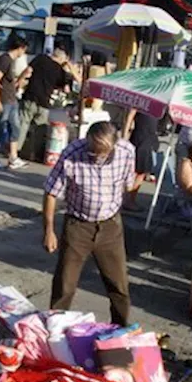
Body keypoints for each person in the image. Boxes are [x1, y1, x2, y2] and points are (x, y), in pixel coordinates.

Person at [43, 122, 135, 326]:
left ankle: (121, 330)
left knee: (118, 285)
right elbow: (51, 193)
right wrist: (49, 230)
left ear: (113, 146)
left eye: (102, 153)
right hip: (78, 226)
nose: (97, 157)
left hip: (110, 225)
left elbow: (129, 183)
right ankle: (55, 328)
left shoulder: (127, 151)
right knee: (65, 284)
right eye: (92, 152)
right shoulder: (72, 154)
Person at [20, 47, 77, 159]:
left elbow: (27, 70)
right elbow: (66, 87)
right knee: (39, 129)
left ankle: (16, 150)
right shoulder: (60, 70)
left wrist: (19, 81)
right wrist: (68, 66)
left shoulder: (41, 58)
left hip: (30, 96)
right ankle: (34, 153)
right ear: (62, 58)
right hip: (44, 102)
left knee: (23, 125)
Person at [0, 36, 29, 171]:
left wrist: (22, 77)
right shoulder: (5, 59)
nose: (23, 54)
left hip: (11, 99)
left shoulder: (10, 61)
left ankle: (13, 156)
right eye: (24, 50)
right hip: (4, 100)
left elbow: (11, 82)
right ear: (20, 48)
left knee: (15, 127)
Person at [122, 108, 160, 208]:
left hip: (149, 137)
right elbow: (130, 115)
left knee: (142, 171)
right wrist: (124, 136)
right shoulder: (143, 100)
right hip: (140, 137)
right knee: (136, 171)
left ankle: (130, 199)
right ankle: (128, 200)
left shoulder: (158, 102)